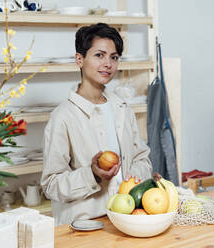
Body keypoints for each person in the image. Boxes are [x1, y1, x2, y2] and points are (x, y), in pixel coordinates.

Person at [40, 23, 152, 226]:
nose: (108, 63)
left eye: (114, 57)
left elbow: (142, 158)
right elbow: (51, 185)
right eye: (99, 55)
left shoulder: (123, 107)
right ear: (79, 59)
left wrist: (133, 180)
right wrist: (92, 175)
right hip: (85, 223)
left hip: (127, 216)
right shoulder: (63, 117)